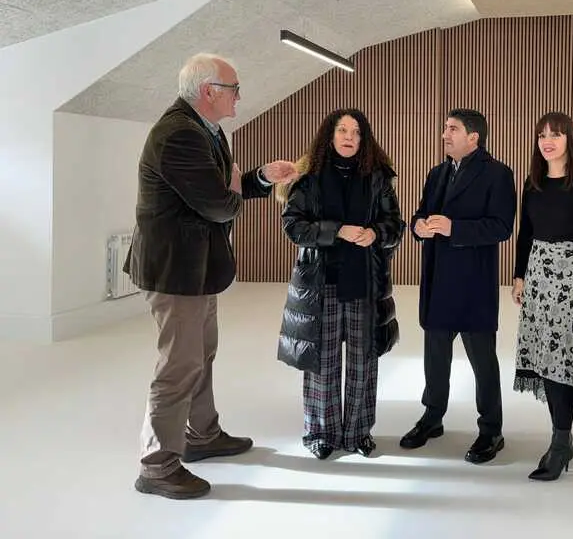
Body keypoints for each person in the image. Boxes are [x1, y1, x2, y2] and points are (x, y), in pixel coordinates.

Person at [126, 53, 298, 500]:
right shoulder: (179, 134)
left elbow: (221, 189)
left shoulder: (206, 128)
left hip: (198, 267)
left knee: (201, 354)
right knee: (178, 365)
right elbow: (218, 203)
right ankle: (157, 465)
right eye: (234, 88)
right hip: (176, 271)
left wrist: (259, 176)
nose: (239, 95)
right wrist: (235, 189)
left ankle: (201, 435)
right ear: (209, 92)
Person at [276, 109, 404, 460]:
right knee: (324, 361)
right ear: (329, 136)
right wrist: (337, 231)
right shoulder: (310, 176)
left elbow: (395, 224)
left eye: (356, 132)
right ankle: (321, 432)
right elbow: (294, 226)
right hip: (322, 283)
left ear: (364, 139)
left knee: (364, 361)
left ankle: (358, 432)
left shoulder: (377, 177)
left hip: (364, 281)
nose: (349, 137)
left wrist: (375, 233)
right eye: (342, 130)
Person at [400, 109, 517, 464]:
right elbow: (422, 213)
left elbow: (501, 227)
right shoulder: (437, 173)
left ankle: (491, 430)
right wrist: (418, 227)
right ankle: (432, 417)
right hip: (437, 280)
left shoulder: (498, 174)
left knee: (483, 360)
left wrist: (454, 229)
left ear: (474, 137)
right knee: (435, 357)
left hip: (473, 284)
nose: (445, 135)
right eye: (444, 128)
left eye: (452, 129)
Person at [512, 112, 573, 481]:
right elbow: (525, 233)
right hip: (538, 276)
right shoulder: (532, 183)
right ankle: (560, 438)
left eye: (555, 134)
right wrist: (519, 276)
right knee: (544, 357)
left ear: (570, 139)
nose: (547, 141)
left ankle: (560, 440)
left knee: (564, 357)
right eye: (541, 135)